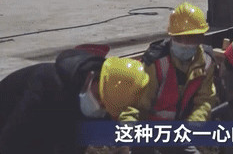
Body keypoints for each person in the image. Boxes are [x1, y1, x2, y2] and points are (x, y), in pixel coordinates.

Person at [0, 46, 149, 154]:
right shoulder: (45, 87)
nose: (98, 107)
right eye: (98, 98)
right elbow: (11, 142)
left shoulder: (107, 96)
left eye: (105, 107)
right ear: (93, 78)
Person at [118, 2, 216, 154]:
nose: (184, 44)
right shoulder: (155, 62)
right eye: (180, 38)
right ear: (171, 37)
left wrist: (193, 125)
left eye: (190, 38)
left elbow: (205, 99)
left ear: (200, 38)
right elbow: (135, 105)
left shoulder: (206, 62)